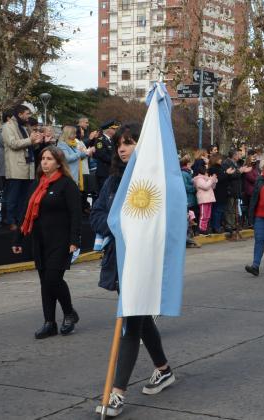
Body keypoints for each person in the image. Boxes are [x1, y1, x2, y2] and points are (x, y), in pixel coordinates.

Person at [89, 135, 175, 417]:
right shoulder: (114, 181)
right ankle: (163, 370)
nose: (122, 148)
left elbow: (163, 220)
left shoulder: (156, 182)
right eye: (119, 145)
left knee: (131, 322)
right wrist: (118, 226)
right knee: (139, 317)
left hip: (145, 261)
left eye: (129, 142)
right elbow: (97, 215)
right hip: (120, 261)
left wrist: (139, 231)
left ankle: (116, 394)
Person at [12, 146, 82, 339]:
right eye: (43, 158)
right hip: (40, 240)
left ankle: (69, 313)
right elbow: (26, 213)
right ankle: (49, 322)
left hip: (61, 240)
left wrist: (74, 240)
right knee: (45, 282)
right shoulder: (37, 185)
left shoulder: (67, 185)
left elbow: (76, 214)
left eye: (49, 159)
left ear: (59, 163)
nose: (44, 162)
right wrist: (18, 238)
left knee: (53, 278)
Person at [2, 104, 44, 231]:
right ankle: (10, 221)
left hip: (28, 166)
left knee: (24, 197)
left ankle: (21, 220)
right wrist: (31, 140)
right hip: (16, 167)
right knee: (13, 196)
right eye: (27, 114)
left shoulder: (24, 128)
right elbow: (13, 144)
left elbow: (29, 146)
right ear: (20, 114)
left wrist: (38, 142)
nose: (28, 117)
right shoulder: (7, 127)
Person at [57, 125, 94, 191]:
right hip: (68, 175)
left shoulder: (73, 144)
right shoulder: (62, 144)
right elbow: (67, 158)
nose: (76, 135)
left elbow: (79, 156)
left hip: (76, 176)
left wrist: (87, 153)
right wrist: (79, 152)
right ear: (68, 134)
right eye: (74, 133)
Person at [92, 120, 118, 190]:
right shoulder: (100, 140)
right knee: (104, 192)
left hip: (111, 171)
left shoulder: (111, 140)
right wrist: (116, 161)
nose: (116, 130)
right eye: (114, 128)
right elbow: (102, 155)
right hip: (104, 172)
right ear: (108, 129)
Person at [207, 153, 228, 233]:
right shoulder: (213, 168)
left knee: (220, 210)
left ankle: (218, 225)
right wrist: (226, 173)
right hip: (217, 192)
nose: (221, 160)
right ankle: (216, 227)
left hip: (222, 191)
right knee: (217, 210)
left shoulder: (220, 167)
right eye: (219, 159)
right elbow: (218, 179)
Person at [193, 164, 217, 235]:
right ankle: (201, 229)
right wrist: (211, 180)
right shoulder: (198, 179)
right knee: (203, 215)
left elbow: (212, 187)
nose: (207, 172)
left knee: (208, 215)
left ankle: (205, 228)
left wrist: (213, 181)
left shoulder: (206, 178)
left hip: (209, 198)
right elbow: (205, 186)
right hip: (203, 199)